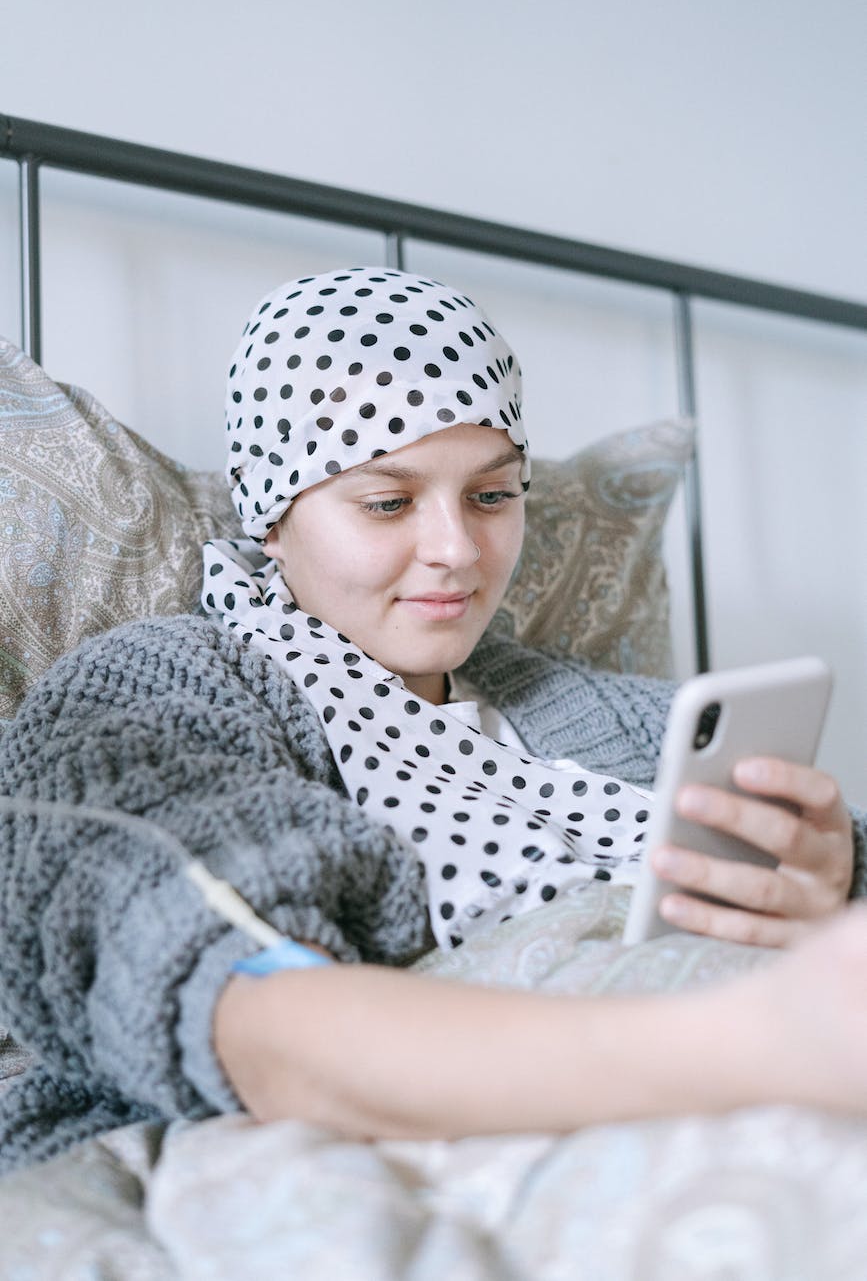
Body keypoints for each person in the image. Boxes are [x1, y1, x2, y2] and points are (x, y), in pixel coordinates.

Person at [0, 267, 864, 1173]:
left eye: (492, 496)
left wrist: (828, 885)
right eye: (387, 501)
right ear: (270, 511)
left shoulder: (614, 717)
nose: (457, 552)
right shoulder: (155, 696)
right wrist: (735, 1045)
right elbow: (258, 1026)